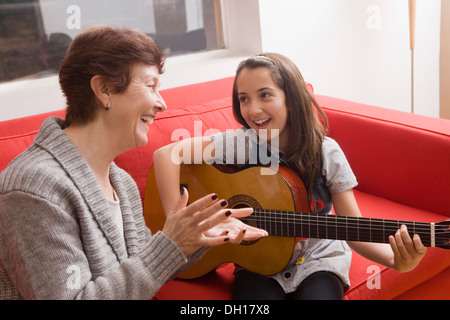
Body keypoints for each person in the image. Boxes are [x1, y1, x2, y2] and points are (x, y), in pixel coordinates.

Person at [0, 25, 268, 300]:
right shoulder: (33, 189)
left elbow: (138, 270)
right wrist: (171, 242)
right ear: (104, 90)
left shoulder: (121, 182)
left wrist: (198, 236)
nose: (162, 104)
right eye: (150, 85)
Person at [153, 53, 427, 300]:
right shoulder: (242, 144)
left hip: (318, 261)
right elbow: (166, 155)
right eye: (244, 98)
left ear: (292, 99)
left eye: (265, 95)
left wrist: (397, 261)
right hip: (256, 263)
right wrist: (178, 223)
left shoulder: (326, 154)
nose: (252, 109)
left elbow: (353, 230)